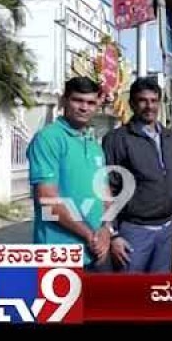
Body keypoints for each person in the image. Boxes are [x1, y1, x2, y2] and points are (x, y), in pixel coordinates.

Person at [102, 77, 172, 273]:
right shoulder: (117, 140)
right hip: (133, 231)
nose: (149, 106)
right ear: (132, 104)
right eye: (143, 100)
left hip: (167, 229)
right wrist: (113, 234)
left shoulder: (170, 138)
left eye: (153, 100)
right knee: (130, 295)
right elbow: (108, 188)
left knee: (157, 292)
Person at [27, 76, 111, 272]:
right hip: (59, 256)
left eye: (90, 102)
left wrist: (106, 230)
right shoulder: (48, 139)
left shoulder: (93, 143)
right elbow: (48, 199)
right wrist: (90, 235)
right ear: (64, 101)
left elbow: (105, 195)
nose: (84, 107)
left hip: (96, 252)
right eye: (77, 100)